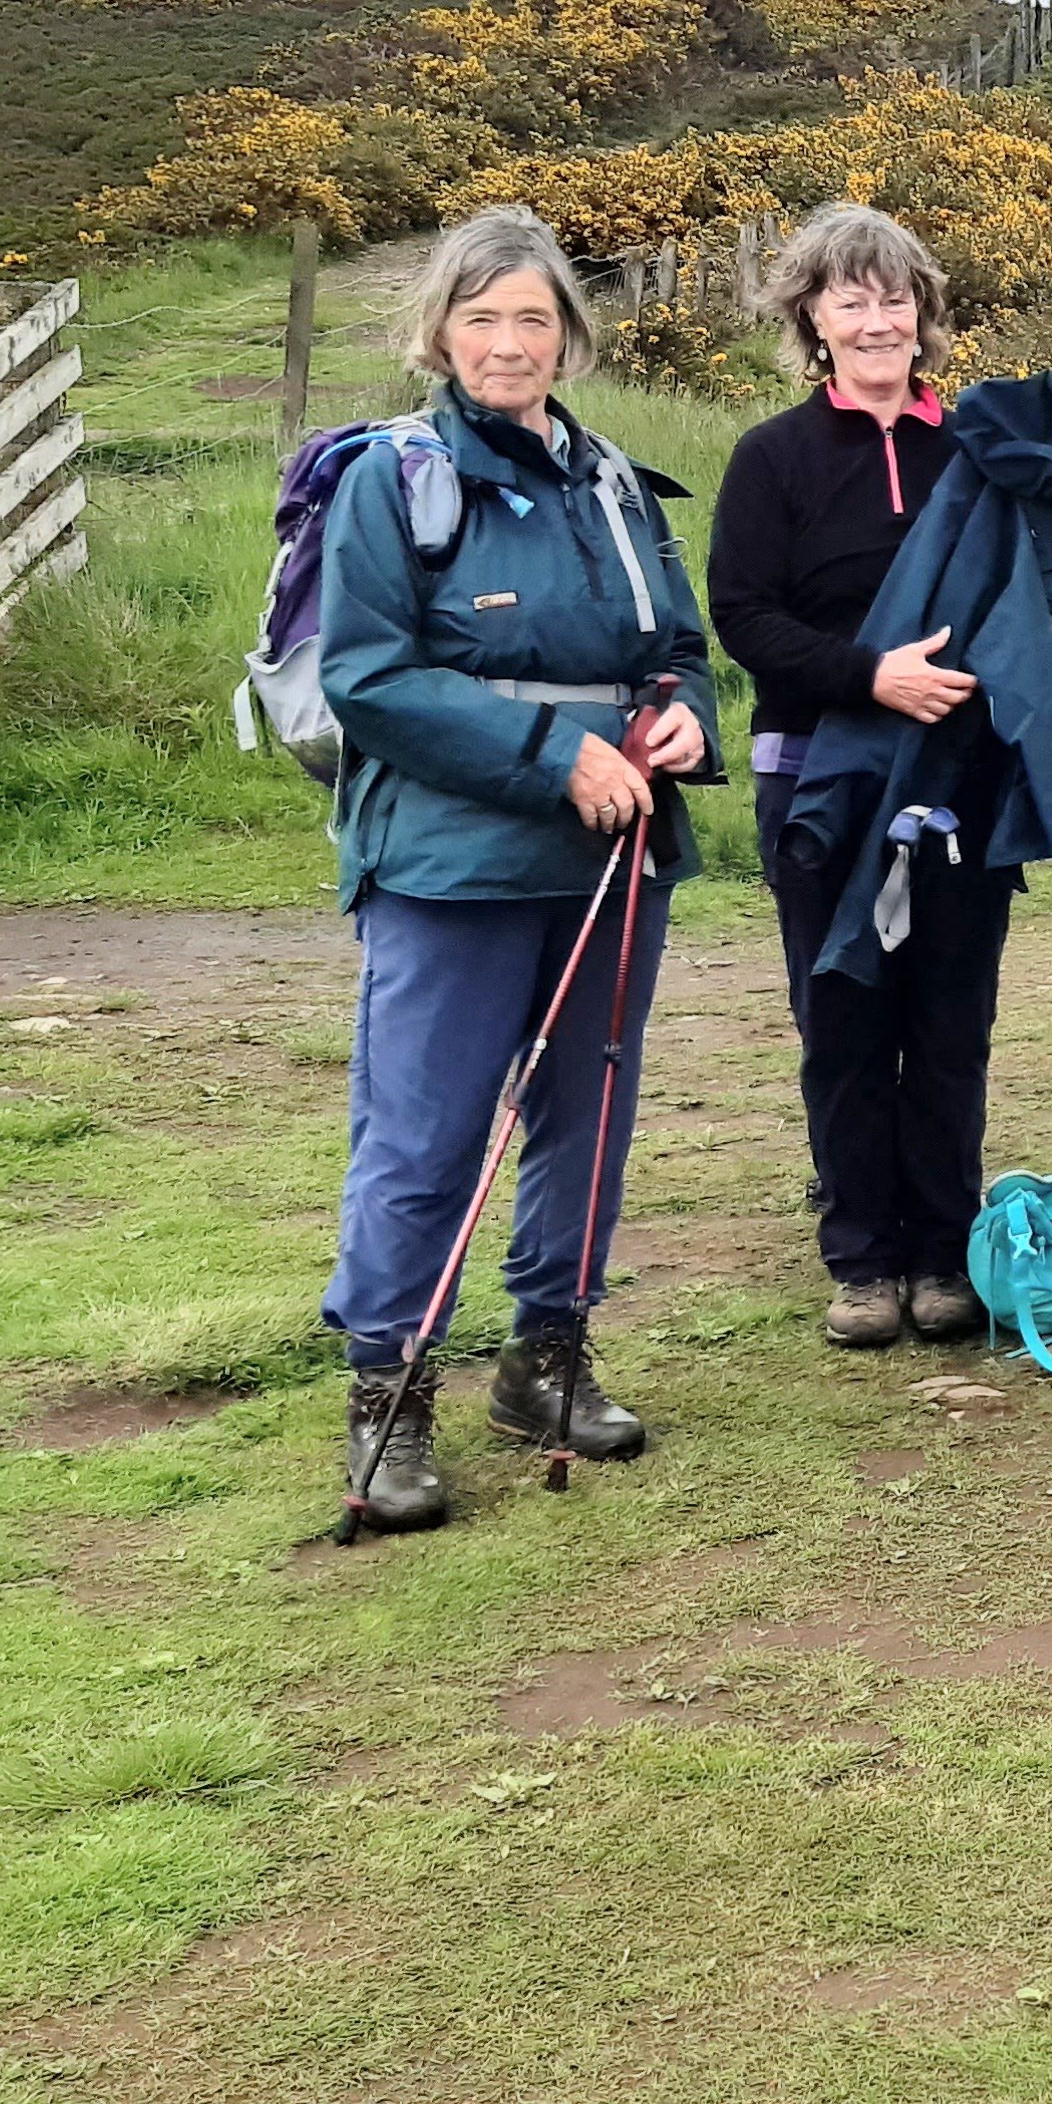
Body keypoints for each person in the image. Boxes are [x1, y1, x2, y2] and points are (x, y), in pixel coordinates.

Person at [316, 204, 718, 1531]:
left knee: (587, 1115)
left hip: (615, 858)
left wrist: (681, 718)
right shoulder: (394, 478)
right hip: (449, 865)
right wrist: (554, 754)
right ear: (440, 331)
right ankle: (389, 1394)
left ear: (570, 338)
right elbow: (369, 677)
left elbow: (676, 644)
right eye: (481, 317)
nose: (507, 342)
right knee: (425, 1133)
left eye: (533, 318)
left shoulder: (608, 482)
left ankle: (548, 1359)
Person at [707, 200, 1006, 1350]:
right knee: (841, 1013)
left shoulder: (977, 453)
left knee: (947, 1016)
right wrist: (870, 679)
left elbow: (1025, 607)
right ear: (812, 319)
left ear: (924, 315)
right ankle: (862, 1260)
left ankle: (942, 1253)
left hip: (959, 784)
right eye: (851, 298)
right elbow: (742, 615)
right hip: (817, 780)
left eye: (896, 297)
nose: (878, 319)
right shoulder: (772, 457)